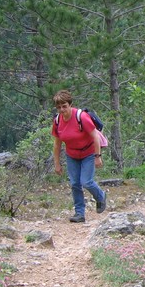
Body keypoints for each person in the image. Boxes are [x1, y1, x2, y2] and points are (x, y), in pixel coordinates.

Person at [51, 90, 106, 223]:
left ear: (70, 104)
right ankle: (79, 213)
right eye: (59, 107)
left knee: (86, 182)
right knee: (75, 184)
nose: (62, 110)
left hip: (88, 153)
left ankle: (101, 196)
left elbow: (95, 137)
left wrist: (97, 156)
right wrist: (57, 163)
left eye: (64, 106)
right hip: (72, 155)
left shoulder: (81, 117)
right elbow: (57, 144)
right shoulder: (57, 121)